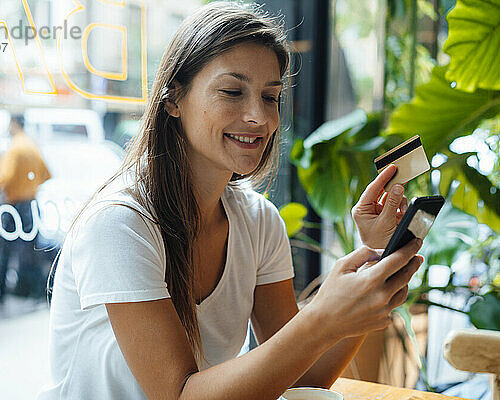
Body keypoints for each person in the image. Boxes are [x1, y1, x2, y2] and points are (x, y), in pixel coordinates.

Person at [39, 3, 419, 399]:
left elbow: (300, 380)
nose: (259, 117)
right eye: (232, 91)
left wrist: (375, 260)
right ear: (173, 99)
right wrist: (322, 317)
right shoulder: (119, 225)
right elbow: (179, 395)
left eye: (270, 97)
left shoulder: (258, 222)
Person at [0, 115, 51, 302]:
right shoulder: (32, 146)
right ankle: (32, 290)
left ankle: (0, 293)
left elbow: (5, 176)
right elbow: (46, 174)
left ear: (14, 124)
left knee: (5, 250)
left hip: (14, 206)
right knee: (30, 251)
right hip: (31, 204)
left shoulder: (14, 148)